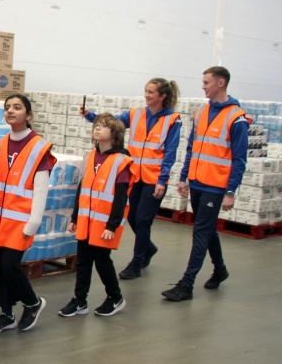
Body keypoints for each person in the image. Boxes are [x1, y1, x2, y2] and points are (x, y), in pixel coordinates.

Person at [162, 66, 250, 301]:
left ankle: (187, 285)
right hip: (198, 181)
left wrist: (231, 191)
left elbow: (239, 159)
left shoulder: (236, 118)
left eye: (206, 82)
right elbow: (192, 147)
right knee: (208, 229)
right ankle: (220, 269)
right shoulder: (201, 113)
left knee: (200, 232)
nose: (203, 86)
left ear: (221, 83)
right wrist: (184, 177)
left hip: (216, 185)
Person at [80, 79, 181, 280]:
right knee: (133, 217)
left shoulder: (172, 120)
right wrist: (89, 115)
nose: (147, 95)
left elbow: (170, 151)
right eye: (146, 91)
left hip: (154, 178)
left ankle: (137, 262)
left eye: (151, 92)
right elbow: (113, 125)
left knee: (143, 220)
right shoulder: (136, 114)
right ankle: (148, 247)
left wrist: (163, 179)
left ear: (162, 96)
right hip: (134, 174)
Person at [0, 94, 55, 334]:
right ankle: (6, 314)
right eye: (7, 108)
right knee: (0, 266)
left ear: (29, 114)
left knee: (10, 264)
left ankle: (33, 303)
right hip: (2, 217)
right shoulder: (2, 143)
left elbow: (41, 186)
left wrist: (34, 221)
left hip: (22, 219)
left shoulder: (38, 146)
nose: (10, 111)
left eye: (17, 107)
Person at [60, 113, 135, 318]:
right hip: (86, 221)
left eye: (104, 126)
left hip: (104, 225)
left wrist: (112, 226)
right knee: (83, 261)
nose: (98, 128)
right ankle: (80, 300)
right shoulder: (90, 156)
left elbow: (120, 198)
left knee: (102, 262)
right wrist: (75, 218)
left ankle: (115, 297)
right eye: (96, 125)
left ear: (115, 133)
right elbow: (82, 190)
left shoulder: (122, 162)